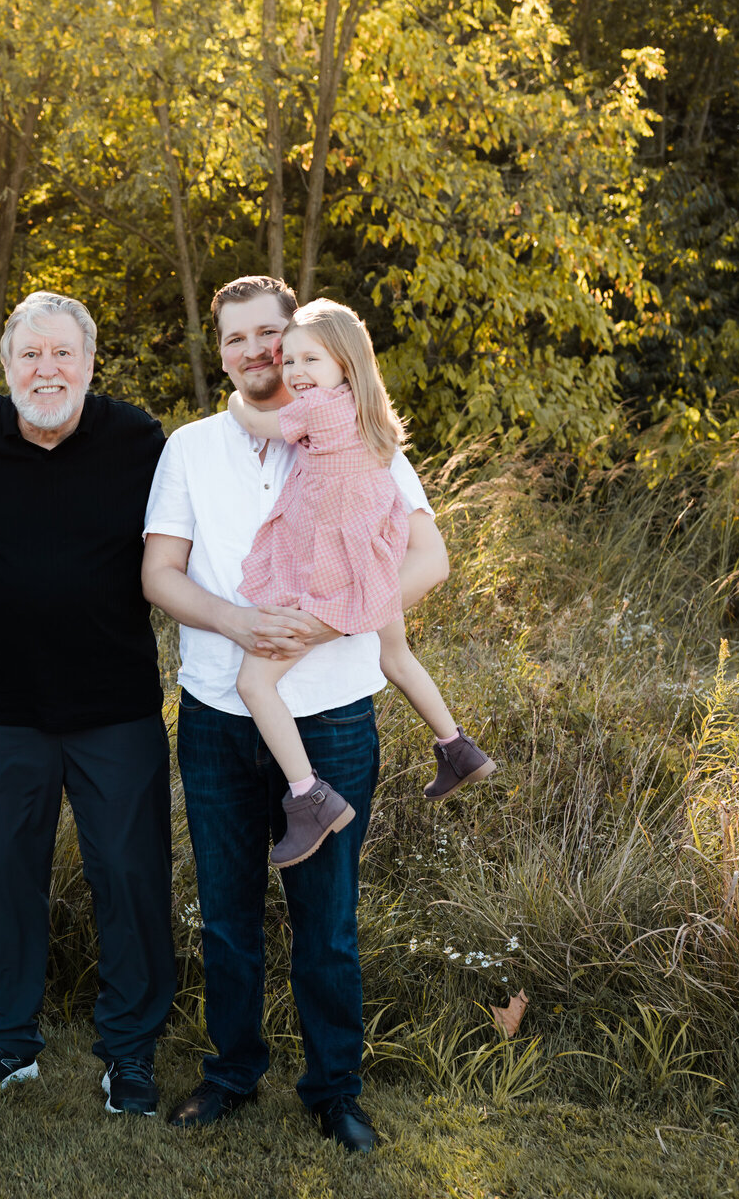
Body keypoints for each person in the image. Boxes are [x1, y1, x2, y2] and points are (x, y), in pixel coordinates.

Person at [142, 276, 449, 1150]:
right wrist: (238, 621)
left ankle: (334, 1091)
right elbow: (159, 575)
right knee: (228, 914)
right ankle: (231, 1073)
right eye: (235, 339)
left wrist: (327, 620)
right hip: (216, 716)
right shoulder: (192, 448)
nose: (255, 353)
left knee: (328, 922)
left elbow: (431, 559)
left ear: (299, 337)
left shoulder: (365, 436)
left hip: (335, 715)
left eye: (269, 335)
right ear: (220, 350)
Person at [0, 291, 175, 1118]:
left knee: (132, 876)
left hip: (117, 705)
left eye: (63, 353)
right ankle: (6, 1041)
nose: (47, 369)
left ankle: (130, 1053)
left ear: (90, 363)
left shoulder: (139, 439)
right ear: (5, 367)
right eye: (30, 355)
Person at [226, 299, 495, 869]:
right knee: (394, 655)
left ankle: (310, 797)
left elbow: (255, 422)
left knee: (253, 682)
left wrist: (232, 399)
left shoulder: (318, 409)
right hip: (374, 558)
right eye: (288, 358)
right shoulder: (366, 413)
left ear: (344, 365)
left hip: (334, 569)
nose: (294, 371)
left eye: (308, 359)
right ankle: (457, 747)